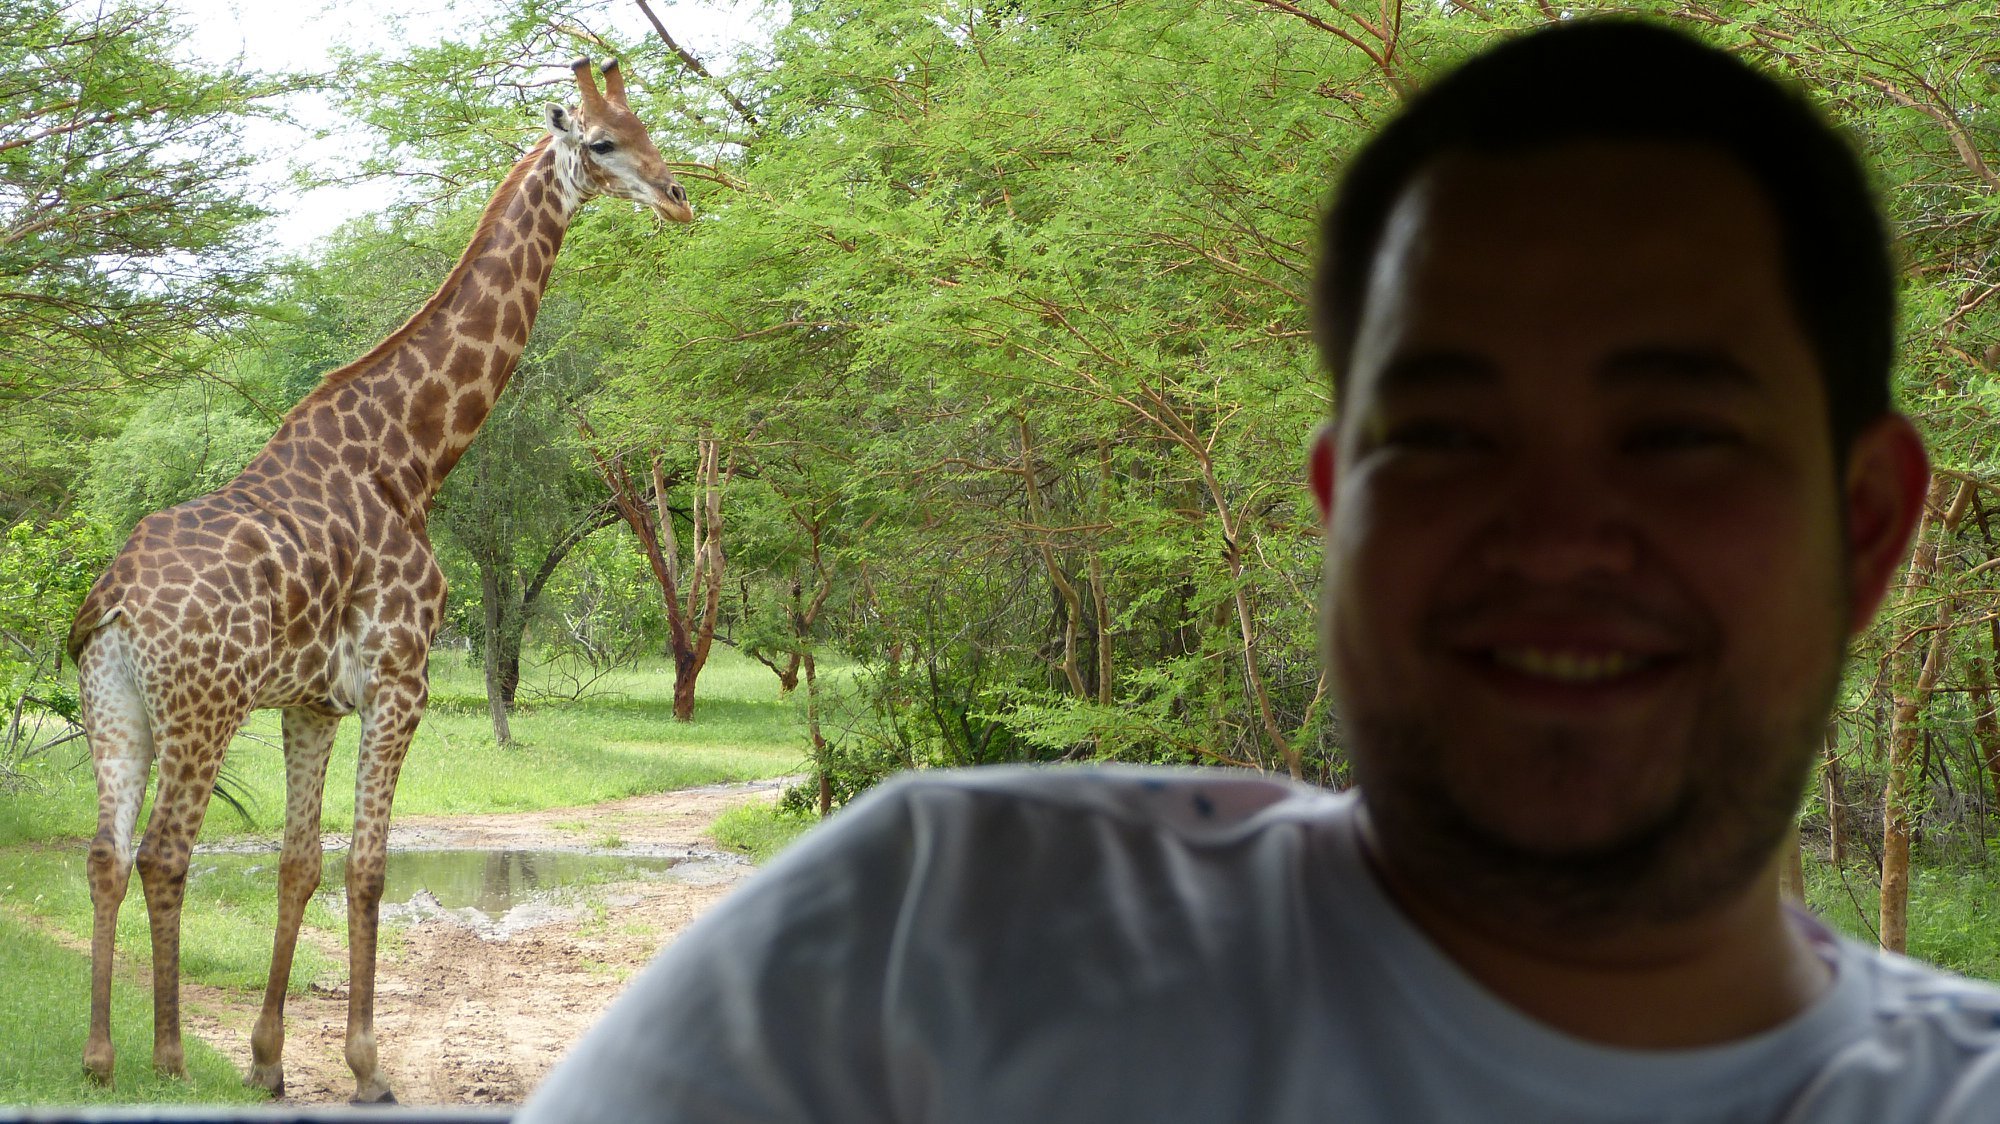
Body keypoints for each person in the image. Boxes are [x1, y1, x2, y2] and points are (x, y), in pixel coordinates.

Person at [519, 19, 2000, 1122]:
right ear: (1340, 509)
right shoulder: (930, 945)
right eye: (1444, 436)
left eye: (1678, 437)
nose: (1556, 536)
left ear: (1869, 527)